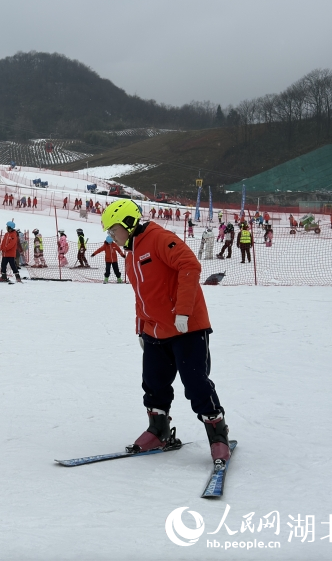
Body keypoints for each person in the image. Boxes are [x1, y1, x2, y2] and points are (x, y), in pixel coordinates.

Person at [100, 199, 232, 468]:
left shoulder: (159, 238)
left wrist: (183, 311)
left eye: (114, 230)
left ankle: (218, 435)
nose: (112, 236)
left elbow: (190, 266)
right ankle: (158, 431)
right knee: (153, 382)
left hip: (187, 328)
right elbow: (142, 295)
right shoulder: (133, 251)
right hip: (155, 331)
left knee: (196, 384)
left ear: (128, 222)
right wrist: (140, 328)